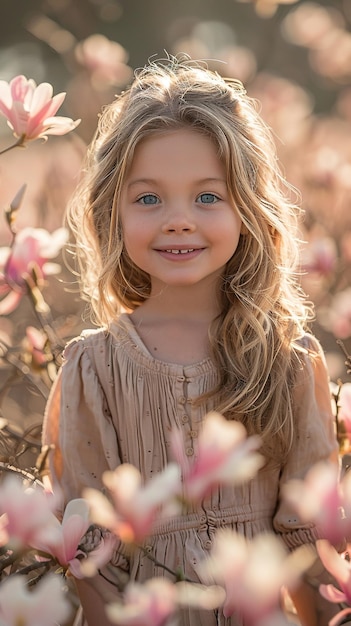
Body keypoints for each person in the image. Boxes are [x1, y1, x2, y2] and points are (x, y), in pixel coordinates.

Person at [42, 56, 340, 626]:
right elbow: (91, 555)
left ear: (248, 209)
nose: (178, 220)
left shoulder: (286, 360)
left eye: (208, 197)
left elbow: (309, 546)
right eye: (149, 199)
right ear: (114, 212)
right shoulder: (95, 368)